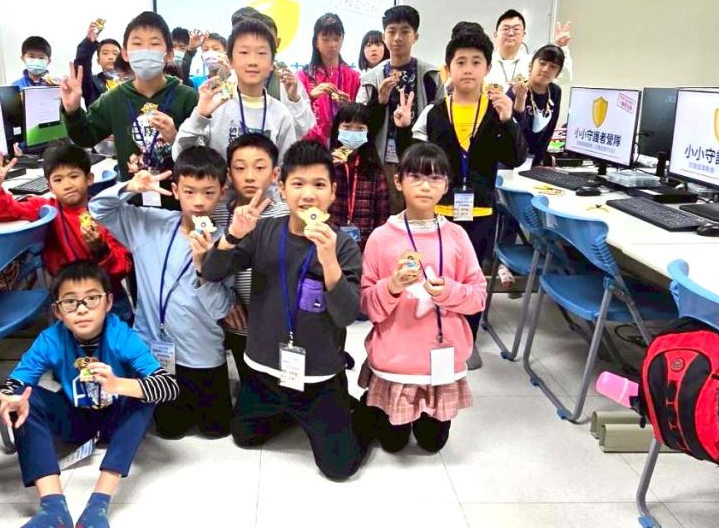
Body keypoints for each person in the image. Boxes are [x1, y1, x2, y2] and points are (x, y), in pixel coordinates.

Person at [201, 141, 371, 481]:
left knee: (339, 469)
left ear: (332, 192)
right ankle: (294, 415)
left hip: (318, 377)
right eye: (298, 184)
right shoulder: (264, 230)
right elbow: (212, 272)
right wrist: (232, 236)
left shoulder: (343, 246)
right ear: (281, 188)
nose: (308, 195)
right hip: (264, 371)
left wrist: (329, 262)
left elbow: (346, 316)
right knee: (243, 436)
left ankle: (366, 413)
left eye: (318, 184)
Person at [0, 261, 179, 528]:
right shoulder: (50, 339)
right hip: (74, 418)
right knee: (22, 399)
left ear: (108, 302)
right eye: (70, 302)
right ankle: (53, 509)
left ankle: (97, 506)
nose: (81, 309)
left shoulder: (121, 335)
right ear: (58, 311)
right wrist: (5, 404)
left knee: (144, 394)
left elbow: (168, 386)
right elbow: (8, 388)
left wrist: (118, 385)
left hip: (116, 420)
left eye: (91, 298)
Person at [393, 29, 527, 369]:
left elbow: (514, 158)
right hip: (438, 211)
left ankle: (467, 339)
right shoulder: (435, 112)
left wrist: (509, 121)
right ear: (447, 69)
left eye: (476, 62)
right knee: (434, 273)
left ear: (487, 68)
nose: (468, 69)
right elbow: (414, 161)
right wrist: (403, 129)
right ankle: (434, 335)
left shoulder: (496, 110)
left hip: (481, 212)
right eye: (461, 62)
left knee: (472, 279)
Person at [89, 147, 237, 439]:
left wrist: (203, 266)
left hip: (202, 353)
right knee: (170, 429)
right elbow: (98, 209)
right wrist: (129, 187)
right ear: (175, 190)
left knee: (216, 429)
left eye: (209, 193)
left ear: (222, 192)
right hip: (155, 349)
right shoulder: (149, 223)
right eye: (189, 191)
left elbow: (221, 309)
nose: (199, 202)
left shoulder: (225, 244)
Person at [359, 143, 485, 453]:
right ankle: (370, 406)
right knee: (392, 443)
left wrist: (450, 292)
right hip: (395, 361)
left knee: (432, 444)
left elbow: (478, 297)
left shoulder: (457, 236)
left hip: (442, 359)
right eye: (415, 177)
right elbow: (367, 306)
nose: (425, 186)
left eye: (435, 178)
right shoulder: (381, 237)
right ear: (398, 181)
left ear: (446, 185)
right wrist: (392, 286)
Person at [60, 11, 199, 211]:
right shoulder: (114, 99)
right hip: (132, 206)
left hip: (181, 207)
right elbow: (85, 137)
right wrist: (72, 110)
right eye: (137, 44)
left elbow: (202, 155)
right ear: (125, 54)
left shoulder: (188, 97)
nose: (145, 51)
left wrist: (176, 138)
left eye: (154, 44)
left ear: (168, 54)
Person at [0, 146, 134, 322]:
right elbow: (5, 211)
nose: (67, 185)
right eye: (58, 179)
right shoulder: (47, 209)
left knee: (119, 335)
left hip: (109, 297)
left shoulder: (104, 215)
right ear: (49, 186)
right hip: (69, 298)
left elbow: (123, 267)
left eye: (74, 176)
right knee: (75, 337)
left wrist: (100, 249)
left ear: (89, 178)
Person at [210, 133, 291, 384]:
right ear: (229, 173)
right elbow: (206, 264)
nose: (249, 176)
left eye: (259, 167)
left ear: (275, 174)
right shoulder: (217, 213)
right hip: (236, 321)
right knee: (250, 384)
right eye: (240, 168)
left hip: (276, 323)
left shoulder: (287, 216)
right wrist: (226, 301)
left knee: (280, 386)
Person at [172, 19, 299, 161]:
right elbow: (181, 155)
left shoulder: (281, 114)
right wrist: (199, 116)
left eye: (261, 53)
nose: (252, 61)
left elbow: (287, 167)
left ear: (272, 64)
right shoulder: (215, 107)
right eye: (244, 52)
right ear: (230, 61)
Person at [356, 5, 443, 213]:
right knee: (384, 215)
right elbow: (359, 126)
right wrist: (380, 101)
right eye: (392, 31)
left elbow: (441, 120)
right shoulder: (370, 78)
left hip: (420, 159)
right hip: (381, 159)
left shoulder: (430, 76)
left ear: (416, 36)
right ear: (384, 36)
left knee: (419, 213)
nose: (397, 38)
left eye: (405, 31)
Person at [327, 102, 389, 250]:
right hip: (329, 243)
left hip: (365, 247)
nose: (353, 133)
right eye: (347, 127)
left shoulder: (375, 171)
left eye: (360, 128)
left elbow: (382, 218)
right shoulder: (326, 166)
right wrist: (326, 169)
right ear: (337, 129)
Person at [297, 13, 361, 146]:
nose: (332, 44)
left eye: (336, 39)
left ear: (343, 39)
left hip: (344, 147)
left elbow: (362, 120)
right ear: (316, 42)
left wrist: (350, 108)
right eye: (325, 39)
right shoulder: (303, 76)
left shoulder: (354, 77)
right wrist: (310, 96)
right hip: (311, 147)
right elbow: (295, 115)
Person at [486, 9, 573, 88]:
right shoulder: (485, 61)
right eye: (505, 29)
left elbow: (565, 78)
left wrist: (561, 48)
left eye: (516, 29)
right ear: (496, 34)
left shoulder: (534, 62)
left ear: (523, 34)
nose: (511, 33)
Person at [509, 44, 565, 167]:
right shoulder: (517, 89)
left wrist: (537, 162)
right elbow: (513, 133)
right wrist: (520, 100)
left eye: (553, 66)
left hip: (535, 161)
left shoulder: (555, 92)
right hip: (511, 160)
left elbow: (549, 131)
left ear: (557, 73)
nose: (546, 69)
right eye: (542, 63)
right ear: (531, 65)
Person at [74, 19, 126, 108]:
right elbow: (82, 64)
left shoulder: (130, 82)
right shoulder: (92, 83)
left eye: (115, 53)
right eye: (105, 53)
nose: (111, 57)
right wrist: (88, 42)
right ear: (98, 61)